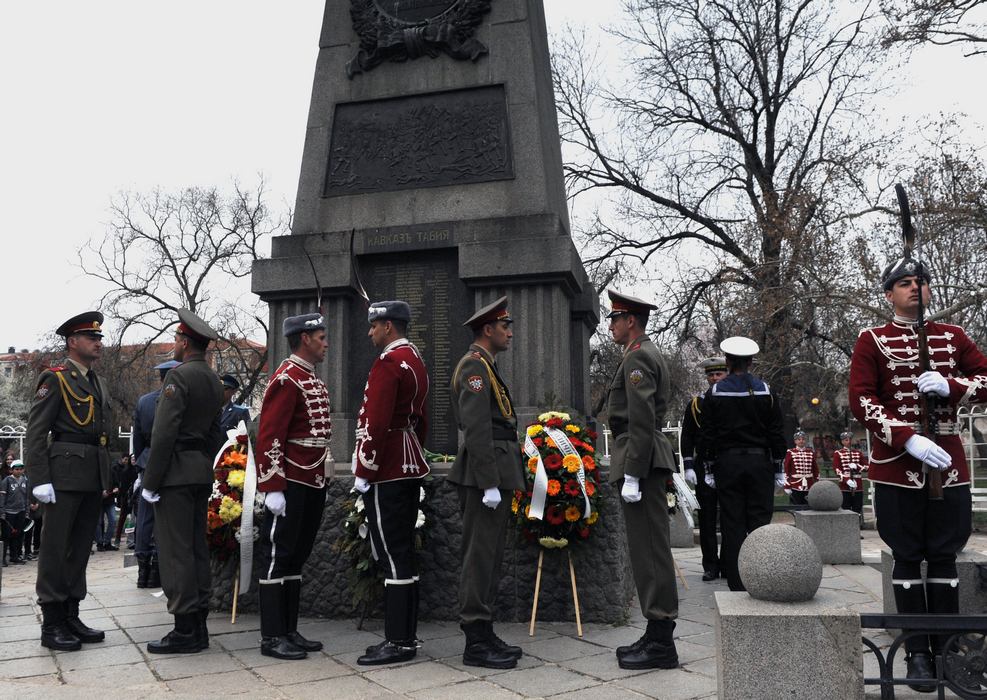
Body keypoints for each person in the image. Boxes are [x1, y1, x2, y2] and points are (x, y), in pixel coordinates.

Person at [848, 257, 987, 688]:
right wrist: (907, 437)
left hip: (948, 465)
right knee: (907, 556)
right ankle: (917, 655)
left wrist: (954, 385)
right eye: (904, 283)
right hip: (897, 467)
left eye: (921, 282)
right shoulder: (872, 339)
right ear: (889, 294)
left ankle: (947, 651)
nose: (915, 288)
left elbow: (985, 377)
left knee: (944, 556)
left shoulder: (954, 336)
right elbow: (862, 399)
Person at [601, 290, 679, 670]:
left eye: (614, 319)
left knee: (649, 550)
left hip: (641, 459)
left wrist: (632, 472)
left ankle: (662, 640)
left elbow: (642, 418)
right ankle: (656, 630)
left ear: (630, 320)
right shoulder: (640, 354)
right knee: (647, 548)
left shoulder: (638, 357)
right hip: (642, 457)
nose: (611, 326)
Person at [26, 311, 112, 651]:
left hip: (91, 475)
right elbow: (36, 432)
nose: (98, 343)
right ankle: (52, 622)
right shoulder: (56, 377)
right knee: (55, 548)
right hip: (62, 476)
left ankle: (71, 613)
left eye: (100, 338)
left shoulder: (97, 381)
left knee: (79, 550)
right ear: (72, 342)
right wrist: (39, 479)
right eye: (91, 338)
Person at [140, 309, 225, 654]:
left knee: (176, 553)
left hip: (174, 474)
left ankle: (184, 630)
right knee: (196, 549)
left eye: (176, 339)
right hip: (199, 471)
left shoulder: (179, 378)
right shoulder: (213, 380)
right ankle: (199, 627)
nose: (174, 344)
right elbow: (214, 433)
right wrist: (205, 463)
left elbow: (163, 434)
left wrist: (151, 480)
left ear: (186, 342)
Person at [448, 296, 525, 670]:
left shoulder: (487, 367)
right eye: (505, 327)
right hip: (484, 474)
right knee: (479, 556)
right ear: (487, 330)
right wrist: (489, 482)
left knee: (490, 556)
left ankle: (485, 628)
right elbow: (477, 429)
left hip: (495, 468)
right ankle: (475, 639)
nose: (510, 333)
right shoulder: (473, 368)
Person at [353, 300, 430, 666]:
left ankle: (398, 641)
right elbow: (422, 419)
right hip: (409, 461)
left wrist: (364, 469)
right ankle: (406, 635)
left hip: (387, 467)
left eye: (374, 326)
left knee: (391, 553)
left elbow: (376, 421)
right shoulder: (415, 360)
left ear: (388, 327)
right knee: (403, 553)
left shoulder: (388, 363)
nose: (370, 332)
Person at [254, 312, 332, 660]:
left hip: (312, 477)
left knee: (297, 554)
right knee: (278, 555)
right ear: (304, 338)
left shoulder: (310, 378)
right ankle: (272, 636)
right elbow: (270, 434)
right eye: (321, 337)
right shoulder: (287, 379)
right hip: (291, 480)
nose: (326, 342)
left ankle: (289, 628)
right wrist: (272, 485)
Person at [699, 336, 785, 593]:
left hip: (728, 462)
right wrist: (779, 465)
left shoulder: (715, 393)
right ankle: (760, 574)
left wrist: (709, 466)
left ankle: (736, 580)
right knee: (759, 520)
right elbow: (776, 431)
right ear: (750, 362)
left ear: (727, 361)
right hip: (760, 462)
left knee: (732, 521)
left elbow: (708, 435)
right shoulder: (766, 390)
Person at [132, 360, 181, 589]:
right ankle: (160, 568)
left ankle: (144, 569)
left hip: (148, 460)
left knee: (145, 518)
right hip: (172, 460)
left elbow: (138, 440)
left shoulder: (144, 401)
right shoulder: (178, 399)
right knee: (168, 518)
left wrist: (143, 460)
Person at [679, 356, 727, 582]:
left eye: (718, 374)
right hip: (703, 465)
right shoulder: (696, 404)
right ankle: (710, 565)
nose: (714, 378)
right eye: (711, 375)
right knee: (706, 517)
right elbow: (687, 435)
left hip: (727, 463)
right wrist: (688, 464)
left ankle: (728, 563)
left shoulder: (731, 400)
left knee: (730, 516)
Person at [0, 460, 29, 565]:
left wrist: (26, 510)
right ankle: (2, 558)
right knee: (6, 536)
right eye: (16, 469)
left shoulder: (25, 480)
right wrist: (2, 511)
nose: (19, 471)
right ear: (11, 470)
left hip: (20, 511)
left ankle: (14, 556)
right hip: (8, 512)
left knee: (17, 535)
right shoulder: (6, 481)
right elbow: (2, 497)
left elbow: (26, 497)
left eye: (21, 469)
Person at [832, 430, 867, 517]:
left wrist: (857, 466)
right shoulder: (838, 453)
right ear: (842, 441)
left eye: (850, 439)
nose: (849, 441)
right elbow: (837, 469)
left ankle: (858, 524)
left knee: (857, 507)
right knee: (845, 507)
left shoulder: (858, 453)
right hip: (845, 485)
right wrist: (846, 480)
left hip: (858, 484)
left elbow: (867, 467)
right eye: (846, 440)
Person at [783, 430, 818, 505]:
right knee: (797, 506)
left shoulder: (810, 452)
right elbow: (786, 470)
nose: (801, 441)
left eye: (803, 439)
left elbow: (815, 469)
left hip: (809, 484)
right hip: (795, 484)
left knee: (809, 506)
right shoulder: (790, 452)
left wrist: (817, 482)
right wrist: (787, 486)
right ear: (795, 441)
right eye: (799, 439)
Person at [94, 457, 120, 552]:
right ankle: (99, 543)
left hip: (110, 500)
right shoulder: (95, 472)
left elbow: (117, 484)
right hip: (98, 501)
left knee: (113, 520)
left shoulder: (112, 472)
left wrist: (116, 489)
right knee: (98, 522)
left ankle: (107, 542)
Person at [113, 454, 138, 548]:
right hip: (126, 498)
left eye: (135, 459)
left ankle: (131, 541)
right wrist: (123, 499)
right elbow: (122, 487)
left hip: (135, 498)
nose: (133, 460)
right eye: (132, 459)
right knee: (122, 519)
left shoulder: (139, 470)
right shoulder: (125, 471)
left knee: (133, 519)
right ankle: (117, 539)